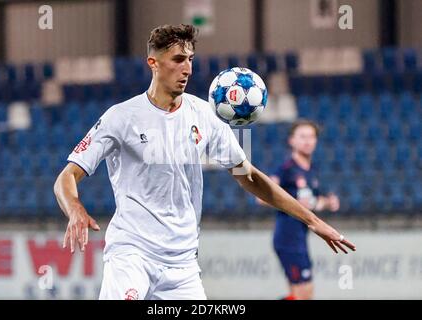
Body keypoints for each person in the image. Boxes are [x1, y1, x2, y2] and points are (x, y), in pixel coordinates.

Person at [53, 24, 355, 300]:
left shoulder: (205, 116)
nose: (187, 68)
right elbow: (67, 177)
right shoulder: (121, 117)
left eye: (191, 60)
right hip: (132, 254)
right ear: (153, 64)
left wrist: (313, 221)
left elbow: (248, 176)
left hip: (182, 264)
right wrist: (75, 208)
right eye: (178, 59)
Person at [258, 119, 340, 300]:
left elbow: (311, 202)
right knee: (304, 294)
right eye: (302, 136)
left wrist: (327, 202)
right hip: (288, 237)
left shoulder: (312, 170)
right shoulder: (286, 169)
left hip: (299, 238)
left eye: (311, 136)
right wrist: (292, 202)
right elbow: (261, 197)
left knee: (299, 295)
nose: (308, 141)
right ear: (292, 141)